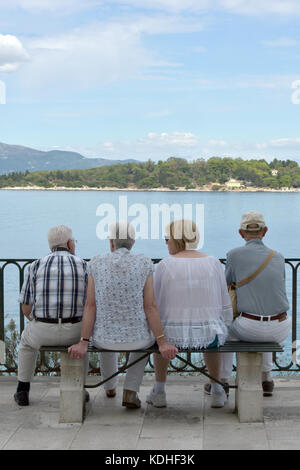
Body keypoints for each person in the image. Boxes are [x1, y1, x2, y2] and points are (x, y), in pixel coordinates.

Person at [68, 221, 178, 409]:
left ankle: (110, 387)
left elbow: (90, 305)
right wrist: (162, 341)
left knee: (102, 329)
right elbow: (150, 306)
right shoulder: (144, 262)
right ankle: (130, 390)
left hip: (103, 339)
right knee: (147, 340)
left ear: (111, 242)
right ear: (133, 242)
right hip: (138, 339)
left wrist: (84, 341)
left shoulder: (95, 262)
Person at [146, 219, 233, 409]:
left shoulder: (165, 265)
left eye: (167, 238)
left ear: (177, 239)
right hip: (209, 335)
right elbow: (224, 300)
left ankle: (159, 391)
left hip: (171, 338)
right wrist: (224, 325)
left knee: (160, 335)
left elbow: (156, 304)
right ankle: (217, 391)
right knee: (213, 336)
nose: (166, 242)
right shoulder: (213, 262)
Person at [217, 210, 292, 397]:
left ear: (241, 233)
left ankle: (222, 381)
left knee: (224, 332)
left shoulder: (234, 255)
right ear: (265, 231)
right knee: (264, 327)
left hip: (250, 326)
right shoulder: (279, 257)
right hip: (281, 327)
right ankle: (266, 379)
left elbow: (226, 284)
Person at [15, 225, 88, 406]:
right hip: (75, 330)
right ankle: (80, 388)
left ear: (51, 245)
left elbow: (26, 307)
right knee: (85, 341)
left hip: (43, 330)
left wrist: (37, 322)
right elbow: (90, 304)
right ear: (70, 243)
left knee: (26, 344)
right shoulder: (84, 265)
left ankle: (22, 389)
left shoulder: (35, 266)